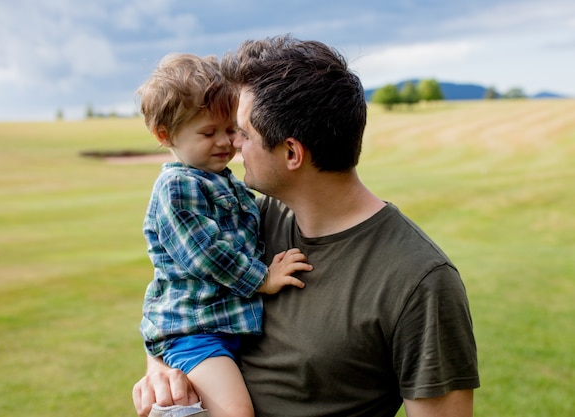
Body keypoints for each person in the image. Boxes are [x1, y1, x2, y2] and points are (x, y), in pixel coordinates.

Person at [133, 36, 480, 417]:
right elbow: (178, 300)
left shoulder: (419, 280)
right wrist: (161, 370)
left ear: (292, 153)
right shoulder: (253, 221)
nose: (233, 146)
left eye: (243, 133)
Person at [136, 52, 312, 417]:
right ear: (165, 134)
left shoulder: (221, 181)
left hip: (226, 326)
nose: (226, 142)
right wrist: (262, 279)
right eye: (208, 133)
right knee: (235, 412)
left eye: (230, 129)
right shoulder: (178, 185)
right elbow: (205, 253)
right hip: (196, 332)